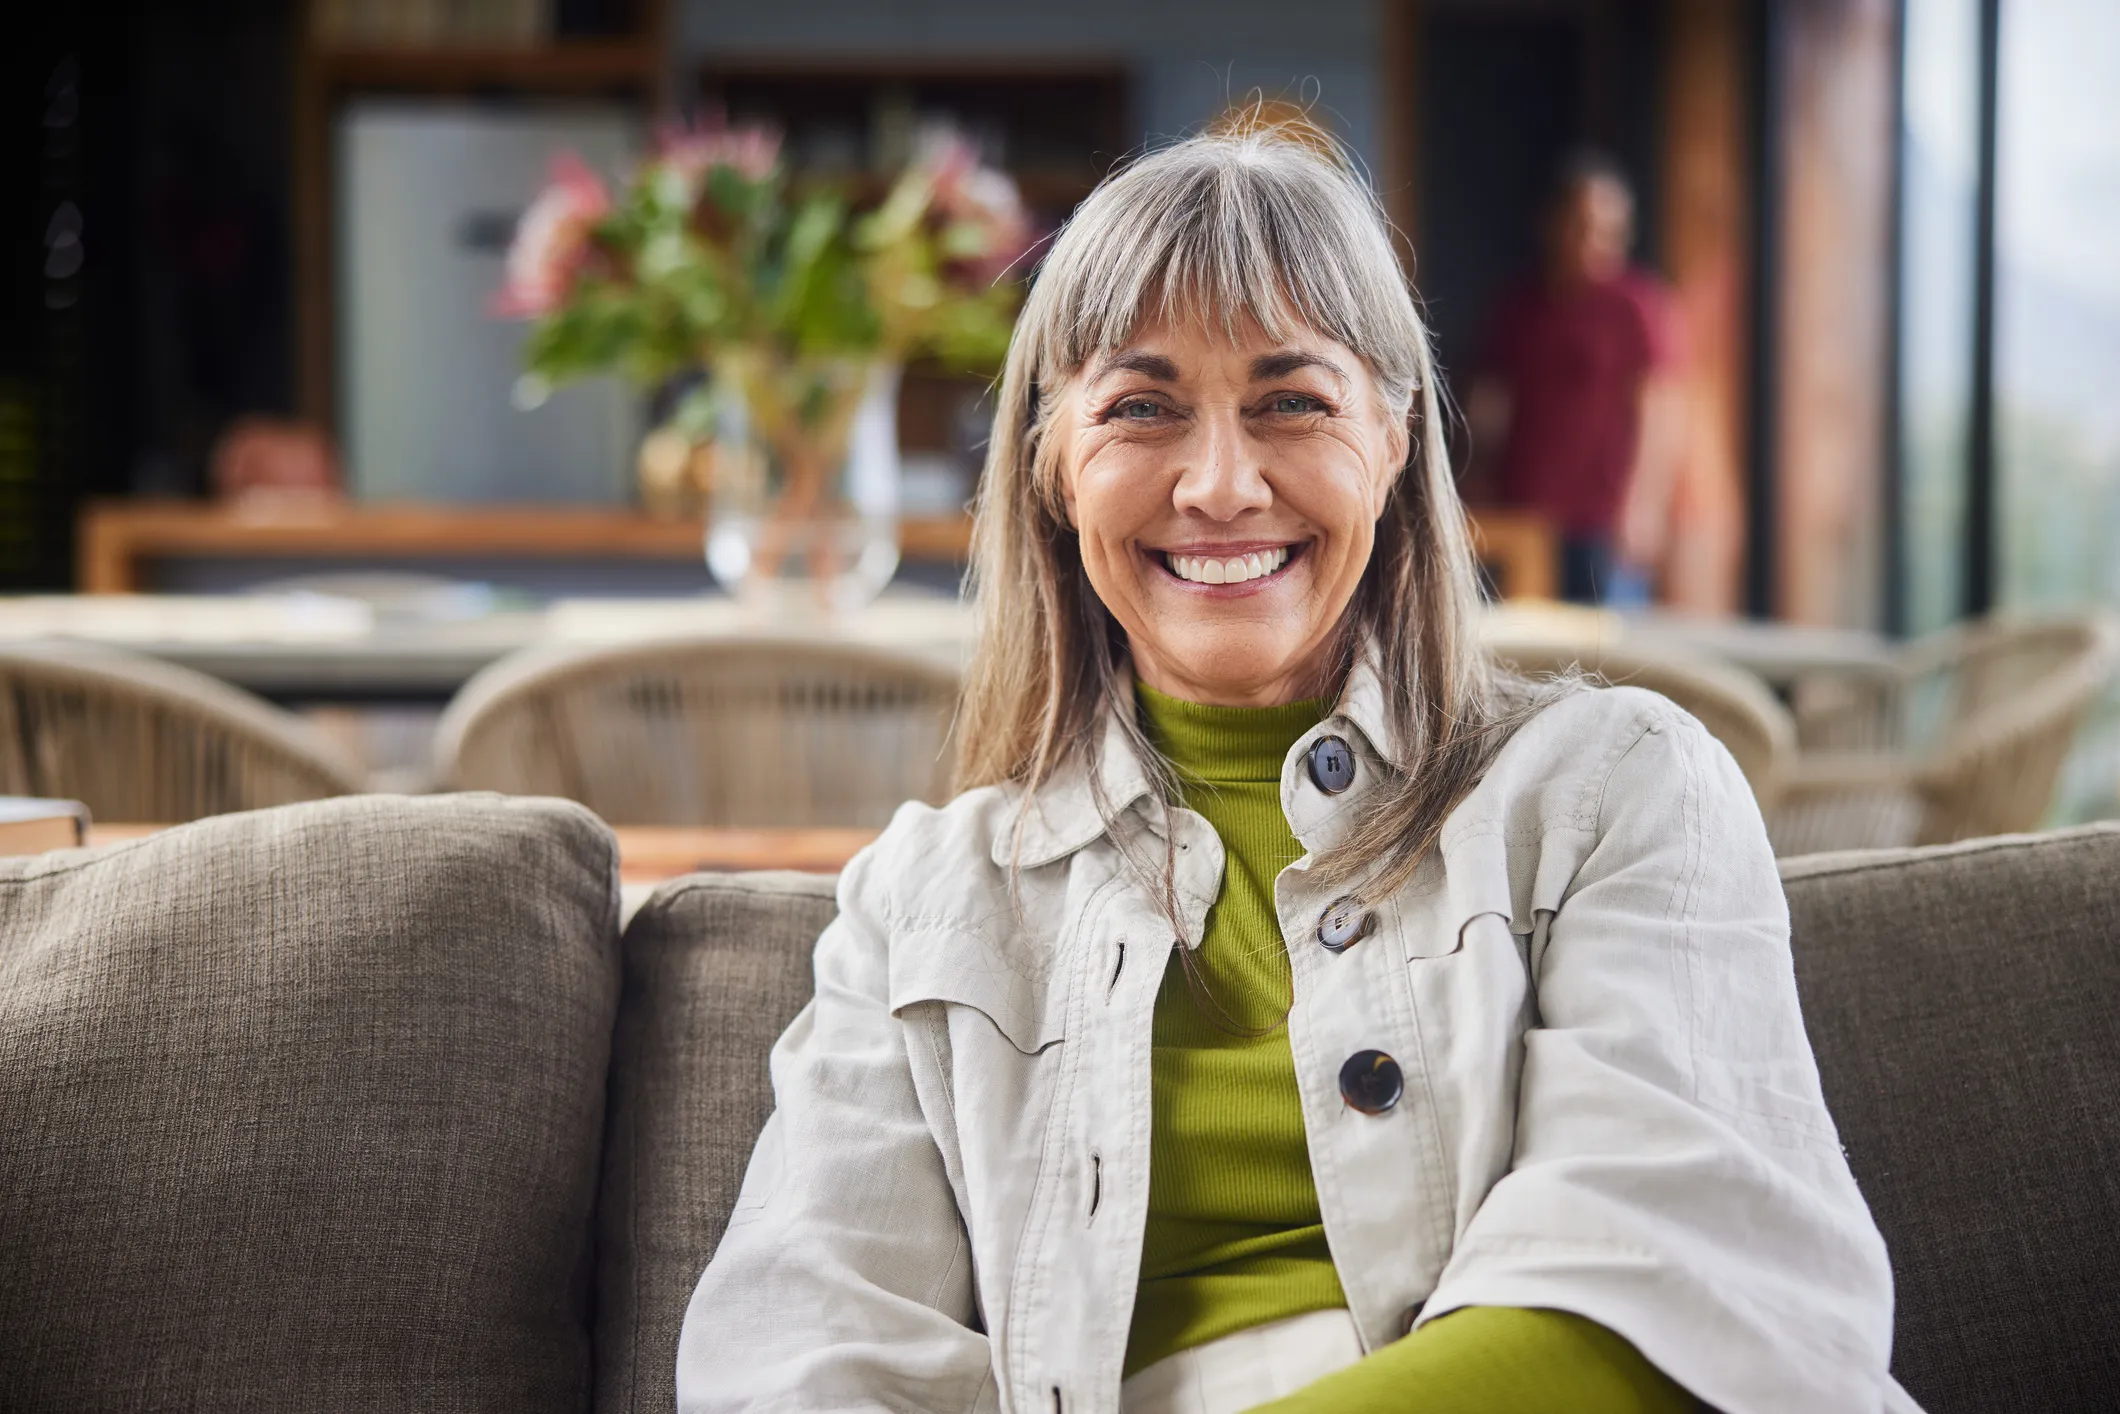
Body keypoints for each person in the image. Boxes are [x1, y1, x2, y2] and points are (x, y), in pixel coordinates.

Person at [677, 125, 1916, 1414]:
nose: (1219, 485)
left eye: (1291, 401)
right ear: (1051, 467)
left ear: (1392, 437)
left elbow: (1664, 1296)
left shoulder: (1617, 789)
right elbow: (795, 1361)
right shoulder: (915, 907)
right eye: (1140, 408)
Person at [1467, 152, 1686, 606]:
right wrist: (1477, 478)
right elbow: (1490, 401)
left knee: (1607, 656)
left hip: (1604, 517)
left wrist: (1644, 505)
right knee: (1532, 651)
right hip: (1526, 513)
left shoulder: (1637, 305)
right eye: (1584, 226)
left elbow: (1660, 409)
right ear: (1552, 223)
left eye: (1611, 232)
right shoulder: (1519, 305)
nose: (1597, 243)